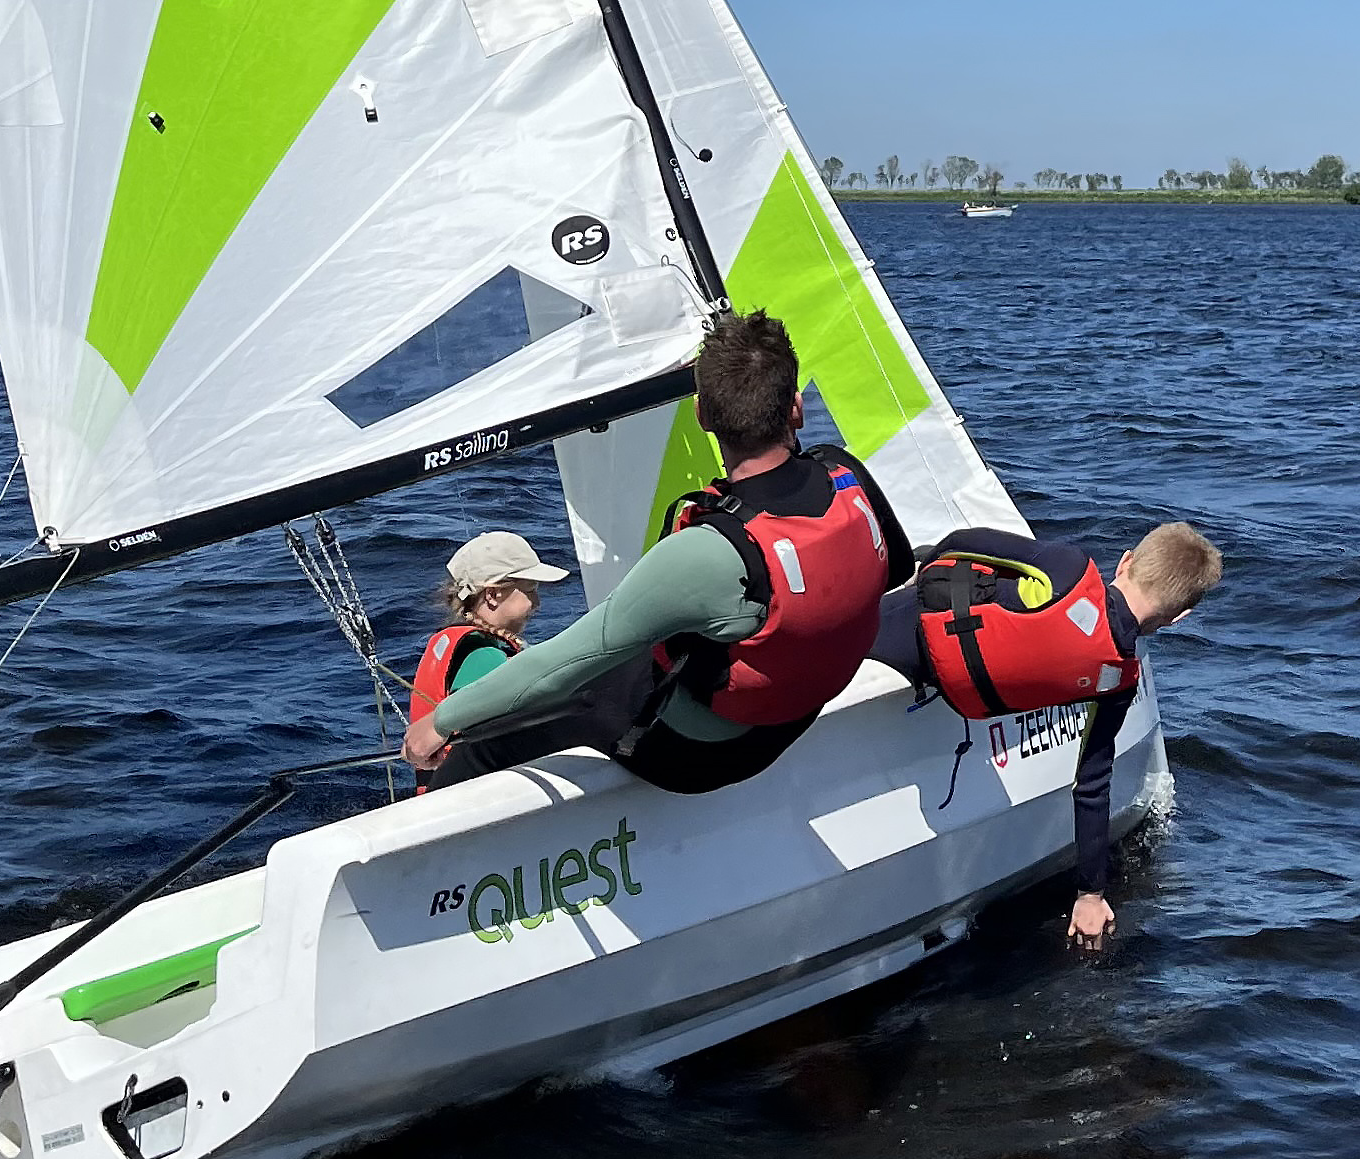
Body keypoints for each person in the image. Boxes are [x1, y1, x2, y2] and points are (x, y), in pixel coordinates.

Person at [402, 309, 914, 794]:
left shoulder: (708, 552)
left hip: (710, 755)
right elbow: (898, 568)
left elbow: (560, 663)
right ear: (796, 408)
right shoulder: (847, 477)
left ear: (702, 416)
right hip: (796, 716)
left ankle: (424, 859)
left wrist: (441, 721)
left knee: (510, 725)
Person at [870, 521, 1222, 948]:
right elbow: (1091, 784)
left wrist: (928, 563)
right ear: (1181, 616)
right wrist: (1090, 893)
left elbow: (961, 544)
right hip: (936, 681)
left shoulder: (1068, 570)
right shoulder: (1116, 679)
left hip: (885, 636)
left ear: (1126, 561)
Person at [407, 532, 568, 792]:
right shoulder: (484, 655)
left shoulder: (457, 642)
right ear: (493, 594)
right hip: (475, 796)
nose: (537, 603)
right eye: (529, 591)